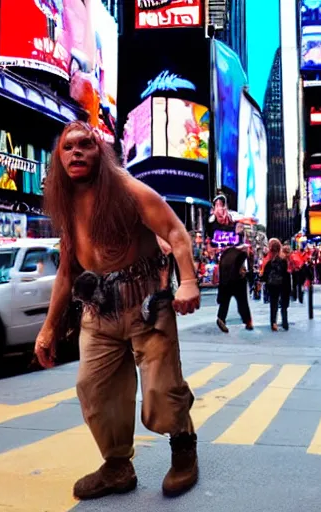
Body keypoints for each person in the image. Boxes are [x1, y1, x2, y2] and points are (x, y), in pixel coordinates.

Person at [33, 121, 200, 500]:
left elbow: (175, 232)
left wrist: (188, 281)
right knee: (94, 389)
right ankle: (117, 466)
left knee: (161, 391)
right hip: (98, 310)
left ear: (100, 152)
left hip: (146, 304)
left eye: (85, 145)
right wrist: (48, 328)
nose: (76, 152)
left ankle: (184, 447)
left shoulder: (125, 188)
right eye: (68, 147)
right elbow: (66, 271)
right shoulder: (64, 201)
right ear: (59, 159)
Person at [216, 243, 254, 333]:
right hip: (238, 282)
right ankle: (248, 322)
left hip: (225, 281)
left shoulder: (226, 254)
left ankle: (221, 318)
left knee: (224, 302)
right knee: (242, 303)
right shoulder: (242, 255)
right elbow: (244, 271)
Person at [263, 238, 291, 331]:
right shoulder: (283, 260)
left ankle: (273, 323)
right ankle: (285, 322)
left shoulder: (268, 260)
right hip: (283, 284)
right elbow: (286, 273)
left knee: (273, 304)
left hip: (272, 285)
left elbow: (265, 274)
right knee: (283, 304)